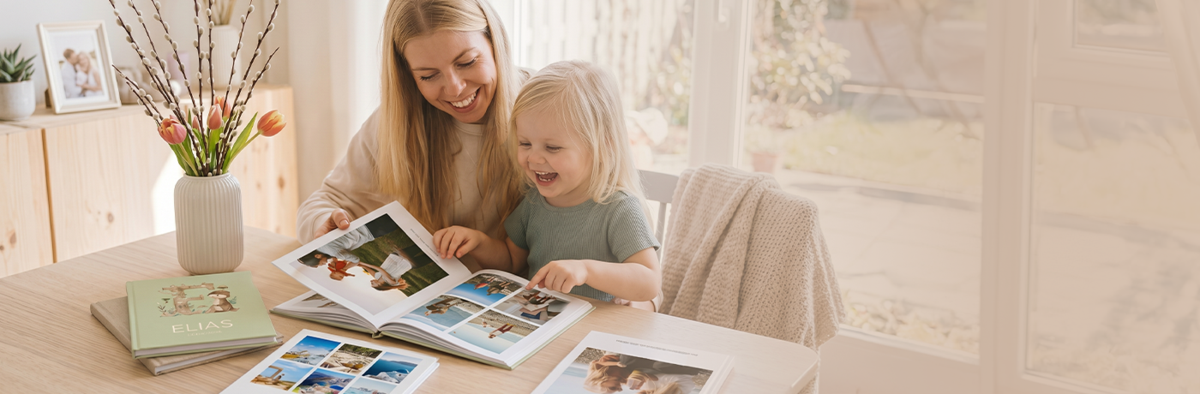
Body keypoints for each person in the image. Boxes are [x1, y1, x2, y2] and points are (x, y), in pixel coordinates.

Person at [295, 0, 527, 274]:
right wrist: (325, 221)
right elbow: (323, 202)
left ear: (494, 42)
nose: (454, 89)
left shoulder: (547, 106)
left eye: (467, 62)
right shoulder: (396, 122)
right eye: (429, 76)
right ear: (409, 76)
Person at [431, 61, 661, 310]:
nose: (534, 158)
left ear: (601, 146)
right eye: (525, 143)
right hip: (540, 324)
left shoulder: (618, 208)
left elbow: (649, 282)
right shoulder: (533, 201)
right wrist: (477, 242)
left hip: (595, 331)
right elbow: (511, 261)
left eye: (552, 148)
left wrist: (585, 270)